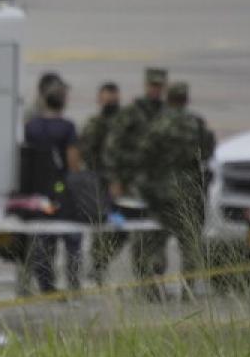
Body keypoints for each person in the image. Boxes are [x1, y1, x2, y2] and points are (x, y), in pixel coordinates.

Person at [137, 82, 215, 299]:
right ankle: (187, 290)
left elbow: (144, 155)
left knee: (155, 241)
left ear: (168, 98)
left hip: (160, 192)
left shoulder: (157, 123)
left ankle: (155, 288)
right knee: (189, 241)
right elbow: (207, 153)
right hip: (189, 190)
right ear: (186, 99)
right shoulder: (196, 124)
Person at [104, 67, 169, 294]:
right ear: (146, 85)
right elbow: (112, 145)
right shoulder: (132, 113)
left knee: (159, 232)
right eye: (152, 85)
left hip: (161, 184)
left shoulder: (167, 113)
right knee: (139, 232)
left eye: (159, 86)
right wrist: (115, 179)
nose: (155, 90)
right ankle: (144, 283)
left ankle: (155, 276)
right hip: (135, 183)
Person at [22, 79, 83, 293]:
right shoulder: (67, 127)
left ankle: (45, 284)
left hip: (38, 192)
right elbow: (73, 161)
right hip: (61, 191)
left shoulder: (30, 127)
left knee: (42, 239)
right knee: (72, 238)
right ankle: (74, 283)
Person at [78, 82, 124, 285]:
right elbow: (85, 152)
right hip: (100, 184)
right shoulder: (93, 124)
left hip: (123, 184)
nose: (110, 102)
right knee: (102, 226)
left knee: (123, 228)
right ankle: (98, 266)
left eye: (113, 98)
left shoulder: (125, 123)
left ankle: (100, 263)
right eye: (107, 98)